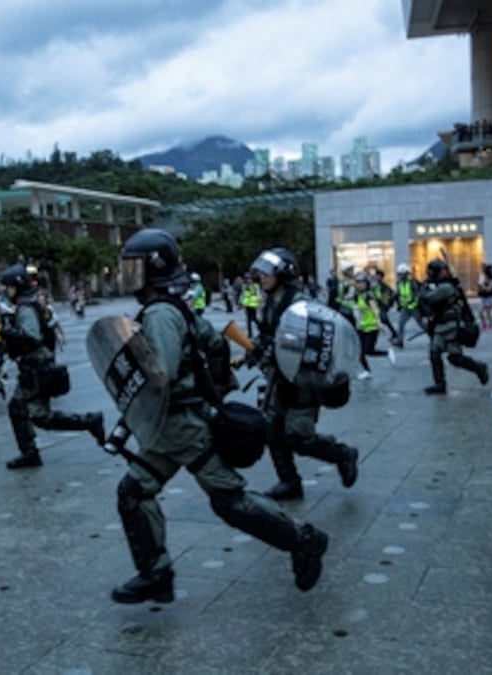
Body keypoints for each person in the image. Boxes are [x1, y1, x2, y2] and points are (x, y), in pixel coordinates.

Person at [107, 229, 329, 603]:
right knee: (134, 492)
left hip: (182, 427)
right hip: (170, 427)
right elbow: (213, 342)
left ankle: (303, 539)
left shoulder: (161, 313)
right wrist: (217, 388)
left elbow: (161, 372)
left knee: (229, 500)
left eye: (135, 266)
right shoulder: (172, 306)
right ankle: (155, 574)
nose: (129, 274)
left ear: (154, 268)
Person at [251, 247, 360, 500]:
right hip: (278, 378)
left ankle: (342, 454)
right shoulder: (269, 303)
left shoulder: (300, 304)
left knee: (299, 436)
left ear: (283, 273)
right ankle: (289, 482)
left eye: (267, 273)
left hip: (302, 382)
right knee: (272, 430)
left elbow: (313, 339)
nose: (262, 277)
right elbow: (268, 335)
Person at [0, 265, 104, 469]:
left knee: (29, 412)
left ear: (17, 287)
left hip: (36, 367)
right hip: (38, 366)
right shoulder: (29, 304)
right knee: (33, 414)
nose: (6, 292)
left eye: (9, 287)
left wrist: (9, 332)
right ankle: (85, 423)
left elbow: (32, 336)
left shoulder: (26, 308)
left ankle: (86, 422)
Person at [418, 259, 489, 394]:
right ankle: (442, 383)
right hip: (445, 325)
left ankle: (477, 368)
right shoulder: (446, 285)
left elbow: (428, 298)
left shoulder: (446, 287)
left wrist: (422, 287)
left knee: (438, 352)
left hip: (448, 326)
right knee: (453, 358)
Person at [349, 273, 396, 379]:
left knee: (368, 350)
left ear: (367, 284)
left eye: (362, 283)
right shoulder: (357, 296)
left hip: (372, 327)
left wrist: (379, 323)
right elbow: (356, 309)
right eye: (358, 283)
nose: (360, 285)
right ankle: (366, 371)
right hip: (362, 327)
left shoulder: (369, 296)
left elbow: (375, 309)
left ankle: (387, 353)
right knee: (359, 351)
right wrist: (357, 322)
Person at [392, 263, 426, 348]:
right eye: (398, 274)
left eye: (401, 274)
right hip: (406, 308)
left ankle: (433, 337)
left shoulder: (412, 282)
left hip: (414, 308)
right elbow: (399, 294)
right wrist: (398, 303)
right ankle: (400, 341)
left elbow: (417, 294)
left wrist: (414, 302)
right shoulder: (399, 283)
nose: (399, 276)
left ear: (406, 273)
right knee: (401, 324)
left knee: (421, 324)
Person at [370, 268, 401, 343]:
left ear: (381, 277)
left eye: (378, 276)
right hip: (378, 305)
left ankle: (394, 333)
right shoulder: (376, 285)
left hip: (382, 305)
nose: (376, 277)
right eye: (376, 275)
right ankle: (394, 333)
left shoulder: (383, 286)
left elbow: (390, 295)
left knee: (384, 319)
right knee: (384, 320)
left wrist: (387, 302)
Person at [477, 263, 492, 330]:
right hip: (484, 298)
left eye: (486, 274)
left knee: (487, 313)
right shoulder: (484, 279)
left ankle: (489, 325)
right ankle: (485, 324)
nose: (485, 276)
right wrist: (482, 286)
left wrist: (483, 286)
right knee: (481, 312)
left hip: (489, 298)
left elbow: (489, 289)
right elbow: (481, 287)